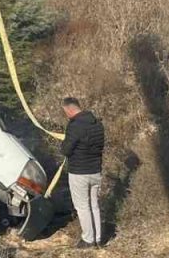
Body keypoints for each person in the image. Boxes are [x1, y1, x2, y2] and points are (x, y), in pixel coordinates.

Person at [61, 96, 105, 248]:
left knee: (82, 207)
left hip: (79, 173)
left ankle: (88, 239)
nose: (66, 115)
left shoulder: (74, 126)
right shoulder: (98, 123)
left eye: (65, 112)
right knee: (94, 205)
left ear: (69, 109)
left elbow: (66, 150)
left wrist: (65, 142)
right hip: (96, 171)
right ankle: (98, 239)